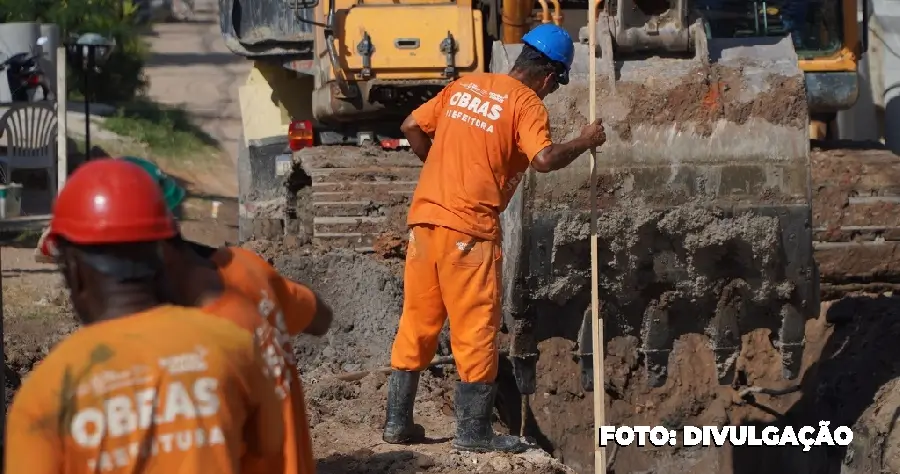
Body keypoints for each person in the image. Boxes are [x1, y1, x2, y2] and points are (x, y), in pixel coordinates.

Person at [384, 23, 608, 453]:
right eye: (554, 87)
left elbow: (411, 124)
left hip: (425, 224)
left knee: (417, 321)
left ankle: (397, 422)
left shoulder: (465, 85)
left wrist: (439, 171)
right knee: (475, 329)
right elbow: (542, 159)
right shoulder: (526, 104)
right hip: (469, 233)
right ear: (548, 77)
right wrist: (584, 140)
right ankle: (473, 432)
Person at [5, 159, 285, 473]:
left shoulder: (46, 396)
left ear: (73, 270)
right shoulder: (235, 348)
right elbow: (270, 445)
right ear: (163, 253)